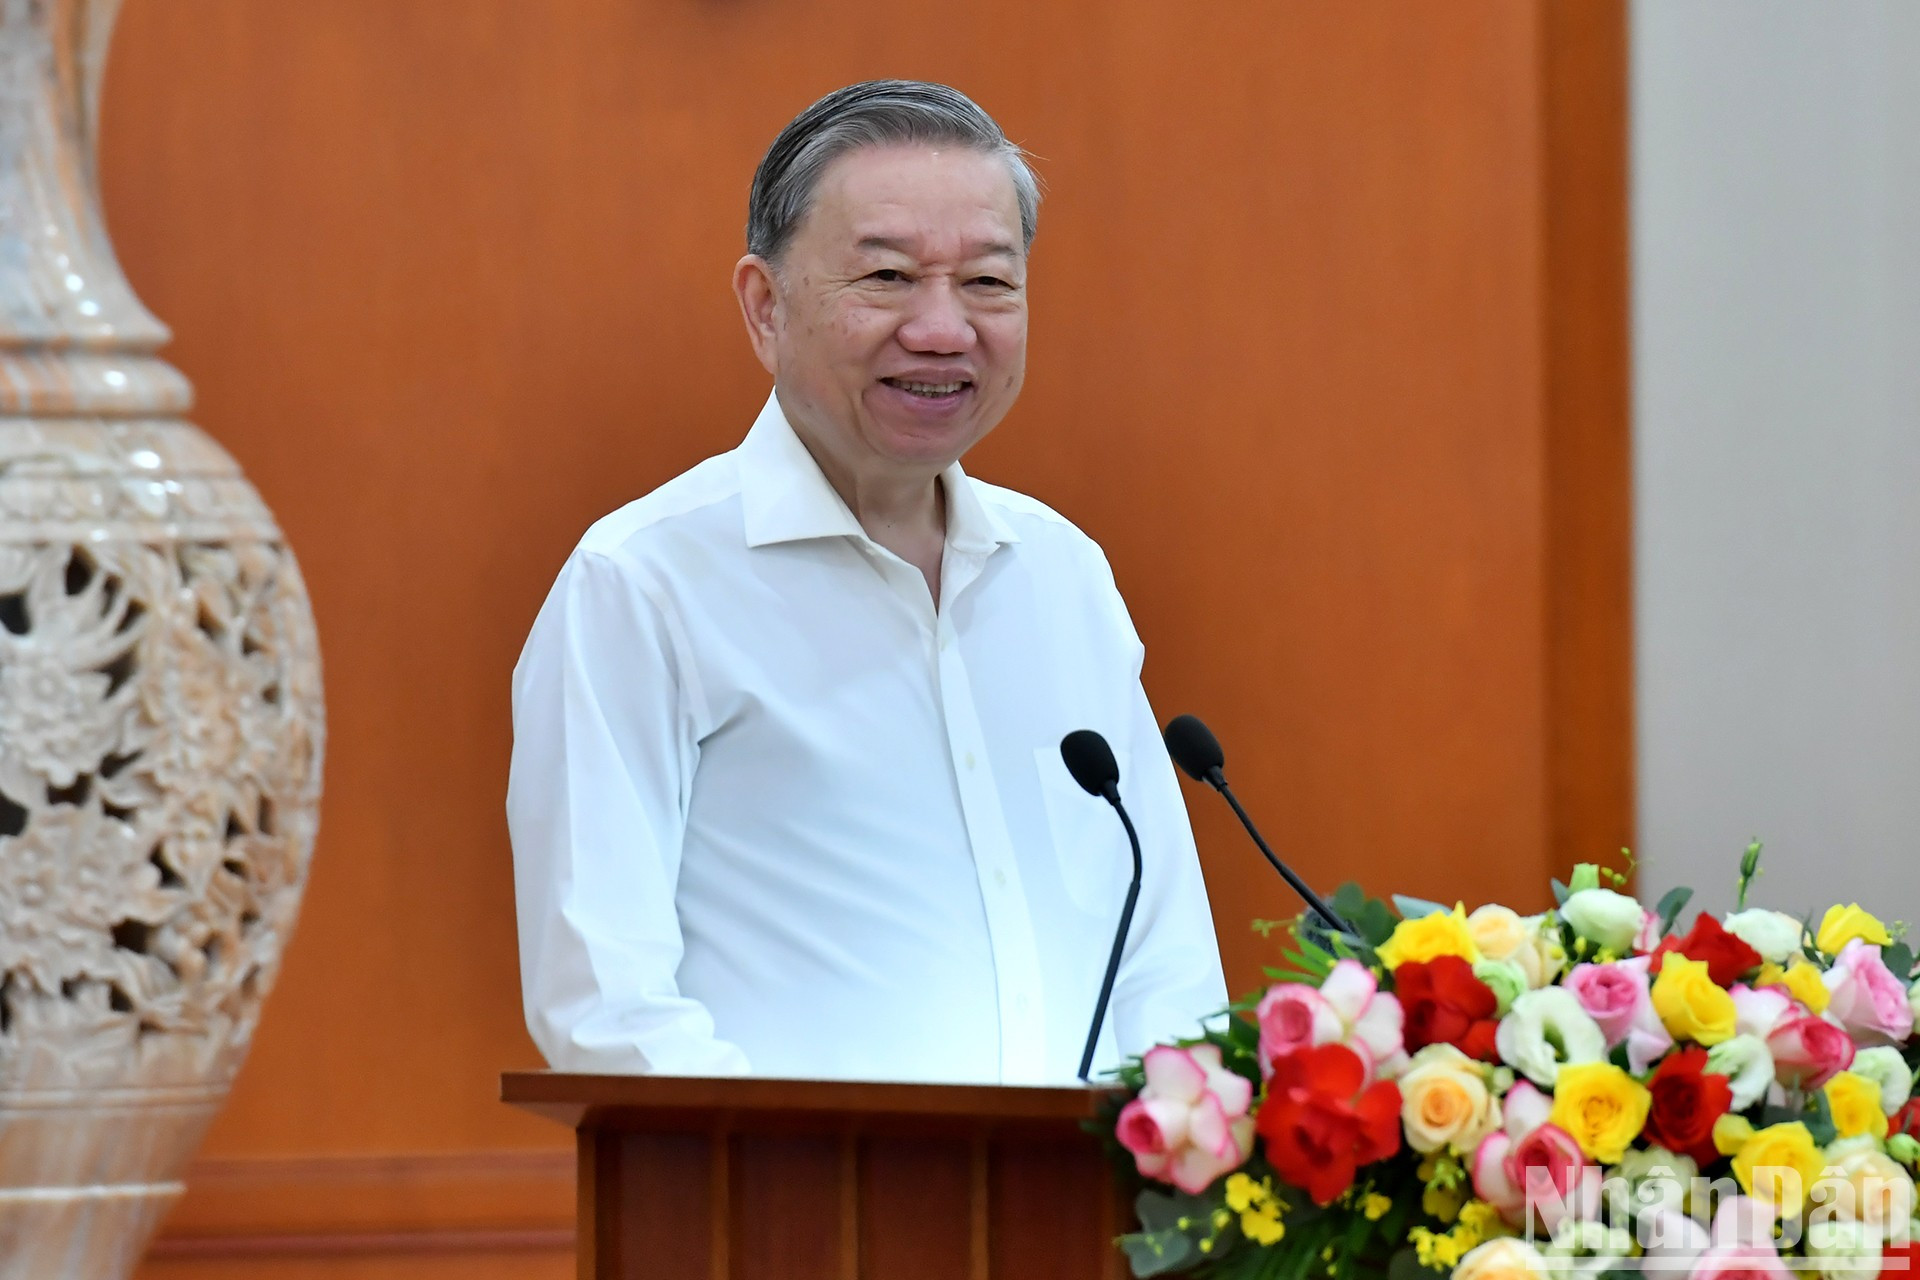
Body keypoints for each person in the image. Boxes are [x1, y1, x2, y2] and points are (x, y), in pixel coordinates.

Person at [507, 80, 1224, 1084]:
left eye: (987, 282)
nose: (943, 329)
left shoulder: (1063, 574)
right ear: (765, 306)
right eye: (887, 276)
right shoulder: (642, 584)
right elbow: (606, 1011)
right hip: (786, 1224)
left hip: (1082, 1218)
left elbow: (1167, 966)